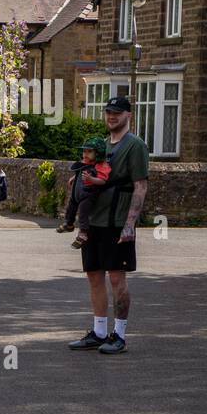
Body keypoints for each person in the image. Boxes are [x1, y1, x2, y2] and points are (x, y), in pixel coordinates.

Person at [68, 98, 147, 355]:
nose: (111, 116)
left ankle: (120, 335)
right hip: (94, 222)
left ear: (128, 115)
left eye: (117, 113)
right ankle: (99, 331)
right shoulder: (100, 145)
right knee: (94, 276)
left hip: (117, 221)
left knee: (116, 278)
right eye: (108, 112)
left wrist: (130, 224)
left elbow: (140, 186)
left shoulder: (135, 146)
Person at [57, 137, 111, 249]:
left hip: (88, 194)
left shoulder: (101, 165)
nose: (85, 154)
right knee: (70, 208)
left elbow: (103, 181)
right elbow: (80, 172)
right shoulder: (84, 163)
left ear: (98, 152)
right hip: (77, 193)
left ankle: (83, 233)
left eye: (89, 151)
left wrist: (91, 179)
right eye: (84, 151)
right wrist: (73, 177)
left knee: (83, 213)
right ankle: (69, 224)